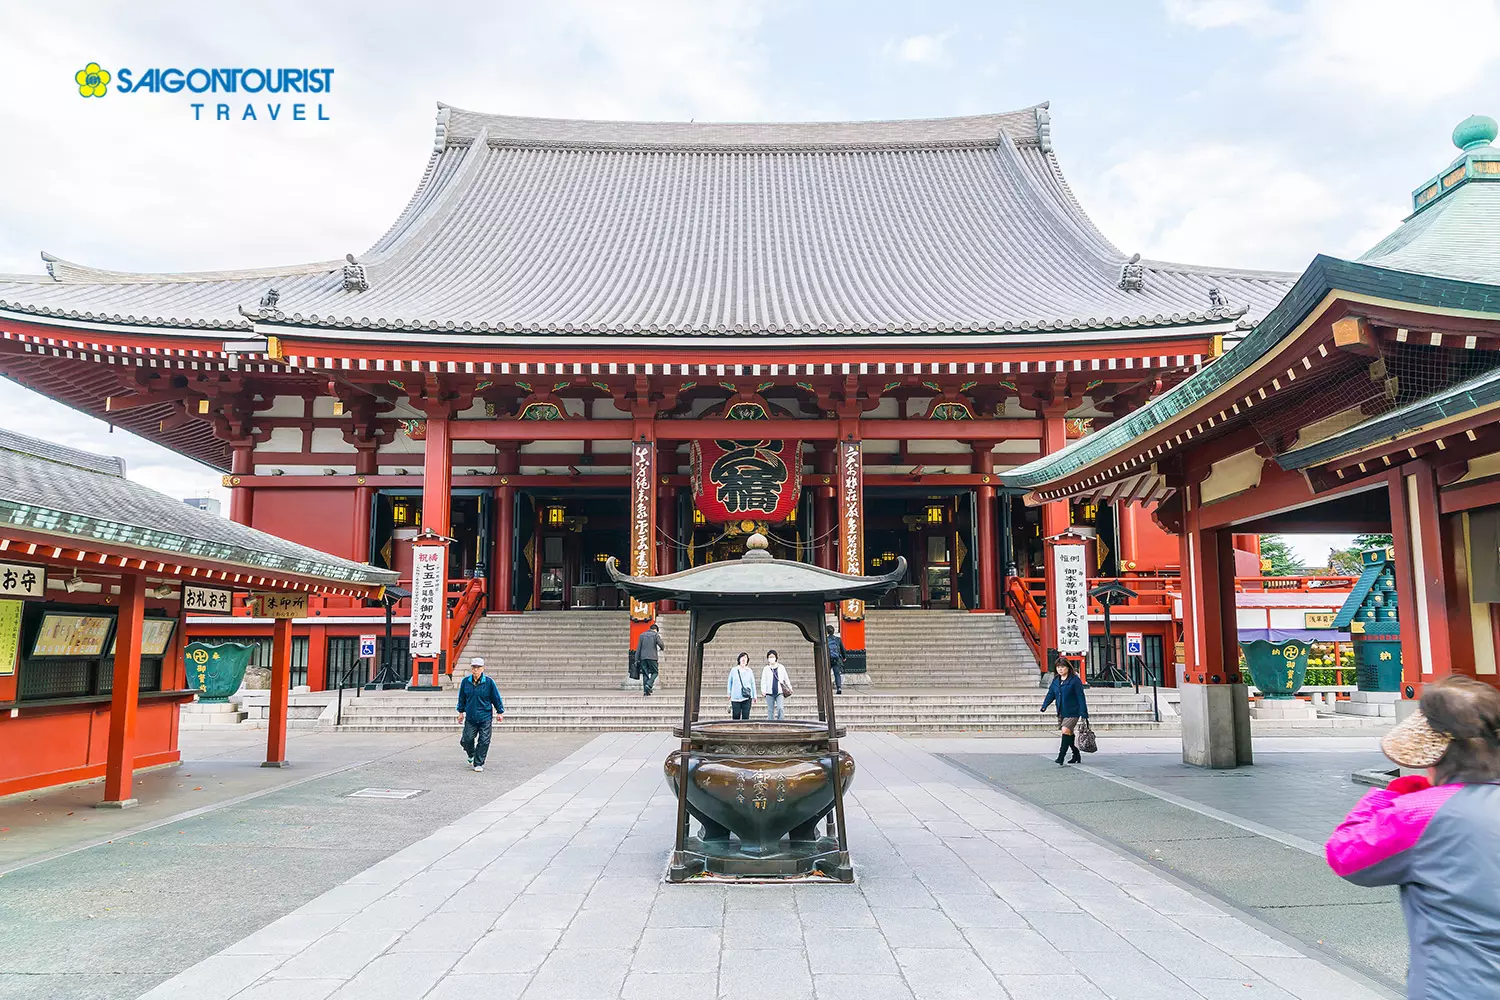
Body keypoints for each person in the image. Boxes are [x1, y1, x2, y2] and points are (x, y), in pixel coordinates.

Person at [1325, 676, 1500, 999]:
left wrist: (1386, 799)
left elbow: (1345, 854)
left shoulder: (1417, 814)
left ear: (1432, 756)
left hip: (1454, 987)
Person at [456, 656, 504, 772]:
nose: (476, 670)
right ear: (471, 669)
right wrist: (460, 712)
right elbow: (462, 698)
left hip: (485, 716)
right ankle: (471, 753)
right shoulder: (465, 682)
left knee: (484, 740)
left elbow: (495, 697)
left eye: (478, 667)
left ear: (483, 669)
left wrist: (500, 711)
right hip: (471, 717)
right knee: (466, 739)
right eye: (474, 667)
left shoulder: (489, 682)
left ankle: (478, 763)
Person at [1040, 658, 1088, 765]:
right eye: (1058, 667)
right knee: (1069, 734)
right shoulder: (1056, 680)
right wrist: (1044, 705)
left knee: (1065, 730)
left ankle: (1061, 756)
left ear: (1068, 667)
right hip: (1062, 711)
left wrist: (1083, 712)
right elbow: (1051, 694)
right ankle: (1075, 753)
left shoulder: (1074, 680)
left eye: (1062, 667)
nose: (1060, 669)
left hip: (1073, 711)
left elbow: (1080, 696)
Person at [636, 621, 664, 696]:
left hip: (643, 657)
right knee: (655, 672)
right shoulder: (655, 635)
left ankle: (646, 692)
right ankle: (649, 684)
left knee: (645, 674)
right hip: (652, 657)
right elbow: (661, 643)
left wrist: (636, 659)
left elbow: (638, 648)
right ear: (656, 630)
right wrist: (662, 648)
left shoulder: (642, 635)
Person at [762, 650, 792, 721]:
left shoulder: (781, 667)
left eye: (772, 657)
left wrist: (790, 687)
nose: (771, 658)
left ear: (776, 658)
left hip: (779, 691)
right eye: (769, 657)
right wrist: (763, 690)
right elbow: (763, 680)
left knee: (780, 708)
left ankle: (780, 722)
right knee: (770, 710)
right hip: (769, 692)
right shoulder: (766, 668)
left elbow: (786, 678)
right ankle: (770, 724)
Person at [727, 652, 757, 720]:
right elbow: (730, 682)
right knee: (736, 716)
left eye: (745, 658)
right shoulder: (734, 670)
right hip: (735, 697)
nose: (744, 659)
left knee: (746, 717)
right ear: (739, 659)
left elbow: (752, 683)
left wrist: (754, 696)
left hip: (747, 697)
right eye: (742, 658)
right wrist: (729, 693)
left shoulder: (749, 671)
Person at [826, 625, 846, 695]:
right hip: (836, 659)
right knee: (837, 674)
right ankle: (839, 688)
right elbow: (842, 649)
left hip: (827, 659)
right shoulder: (838, 639)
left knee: (826, 674)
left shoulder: (825, 640)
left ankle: (826, 688)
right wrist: (844, 657)